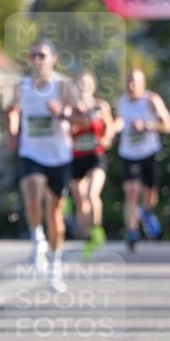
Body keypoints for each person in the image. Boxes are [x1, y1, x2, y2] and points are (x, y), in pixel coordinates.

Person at [6, 39, 78, 291]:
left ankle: (55, 265)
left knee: (55, 214)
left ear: (53, 59)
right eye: (34, 55)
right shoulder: (22, 86)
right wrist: (13, 130)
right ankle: (37, 237)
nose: (38, 60)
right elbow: (12, 110)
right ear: (29, 59)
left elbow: (81, 115)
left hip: (59, 156)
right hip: (31, 153)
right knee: (33, 196)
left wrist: (62, 113)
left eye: (43, 55)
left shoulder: (64, 85)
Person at [113, 69, 170, 250]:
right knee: (131, 192)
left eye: (135, 82)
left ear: (143, 84)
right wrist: (113, 130)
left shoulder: (151, 101)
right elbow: (117, 122)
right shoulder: (121, 102)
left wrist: (147, 125)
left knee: (150, 195)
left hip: (149, 153)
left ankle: (147, 211)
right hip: (128, 154)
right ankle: (132, 232)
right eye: (128, 82)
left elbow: (169, 126)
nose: (131, 86)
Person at [69, 69, 115, 257]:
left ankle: (97, 229)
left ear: (93, 86)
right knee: (80, 200)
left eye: (87, 83)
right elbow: (66, 128)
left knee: (92, 192)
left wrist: (106, 138)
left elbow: (110, 127)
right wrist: (78, 119)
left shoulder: (101, 106)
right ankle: (87, 236)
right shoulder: (70, 108)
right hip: (76, 156)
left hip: (96, 155)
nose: (84, 87)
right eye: (80, 83)